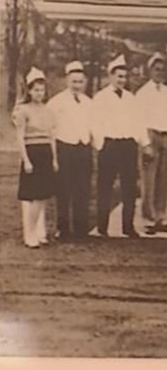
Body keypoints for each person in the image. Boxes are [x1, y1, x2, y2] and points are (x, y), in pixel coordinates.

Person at [91, 54, 151, 238]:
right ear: (110, 76)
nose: (121, 80)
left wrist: (144, 143)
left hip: (127, 146)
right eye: (118, 76)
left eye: (124, 77)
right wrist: (100, 143)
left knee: (129, 187)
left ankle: (128, 226)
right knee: (105, 187)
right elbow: (94, 122)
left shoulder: (131, 98)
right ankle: (102, 227)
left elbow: (139, 121)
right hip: (109, 145)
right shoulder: (101, 97)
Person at [48, 60, 93, 241]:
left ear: (85, 82)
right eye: (73, 81)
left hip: (83, 148)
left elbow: (93, 125)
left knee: (82, 189)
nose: (77, 85)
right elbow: (51, 130)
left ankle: (81, 229)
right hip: (64, 147)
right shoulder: (56, 102)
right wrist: (54, 157)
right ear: (67, 81)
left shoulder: (89, 102)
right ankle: (63, 228)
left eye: (80, 82)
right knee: (64, 189)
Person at [13, 67, 58, 248]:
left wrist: (54, 159)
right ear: (29, 91)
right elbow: (19, 137)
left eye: (42, 90)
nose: (39, 93)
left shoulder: (48, 110)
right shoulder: (23, 110)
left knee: (44, 196)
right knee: (34, 196)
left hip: (45, 153)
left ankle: (39, 233)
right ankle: (29, 233)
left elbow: (51, 137)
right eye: (36, 90)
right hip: (32, 154)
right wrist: (26, 160)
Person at [136, 52, 167, 235]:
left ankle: (161, 217)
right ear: (149, 71)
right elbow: (138, 120)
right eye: (156, 69)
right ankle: (149, 219)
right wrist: (145, 143)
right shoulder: (143, 93)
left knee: (165, 179)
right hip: (151, 135)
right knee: (149, 179)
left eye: (162, 70)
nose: (159, 73)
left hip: (166, 135)